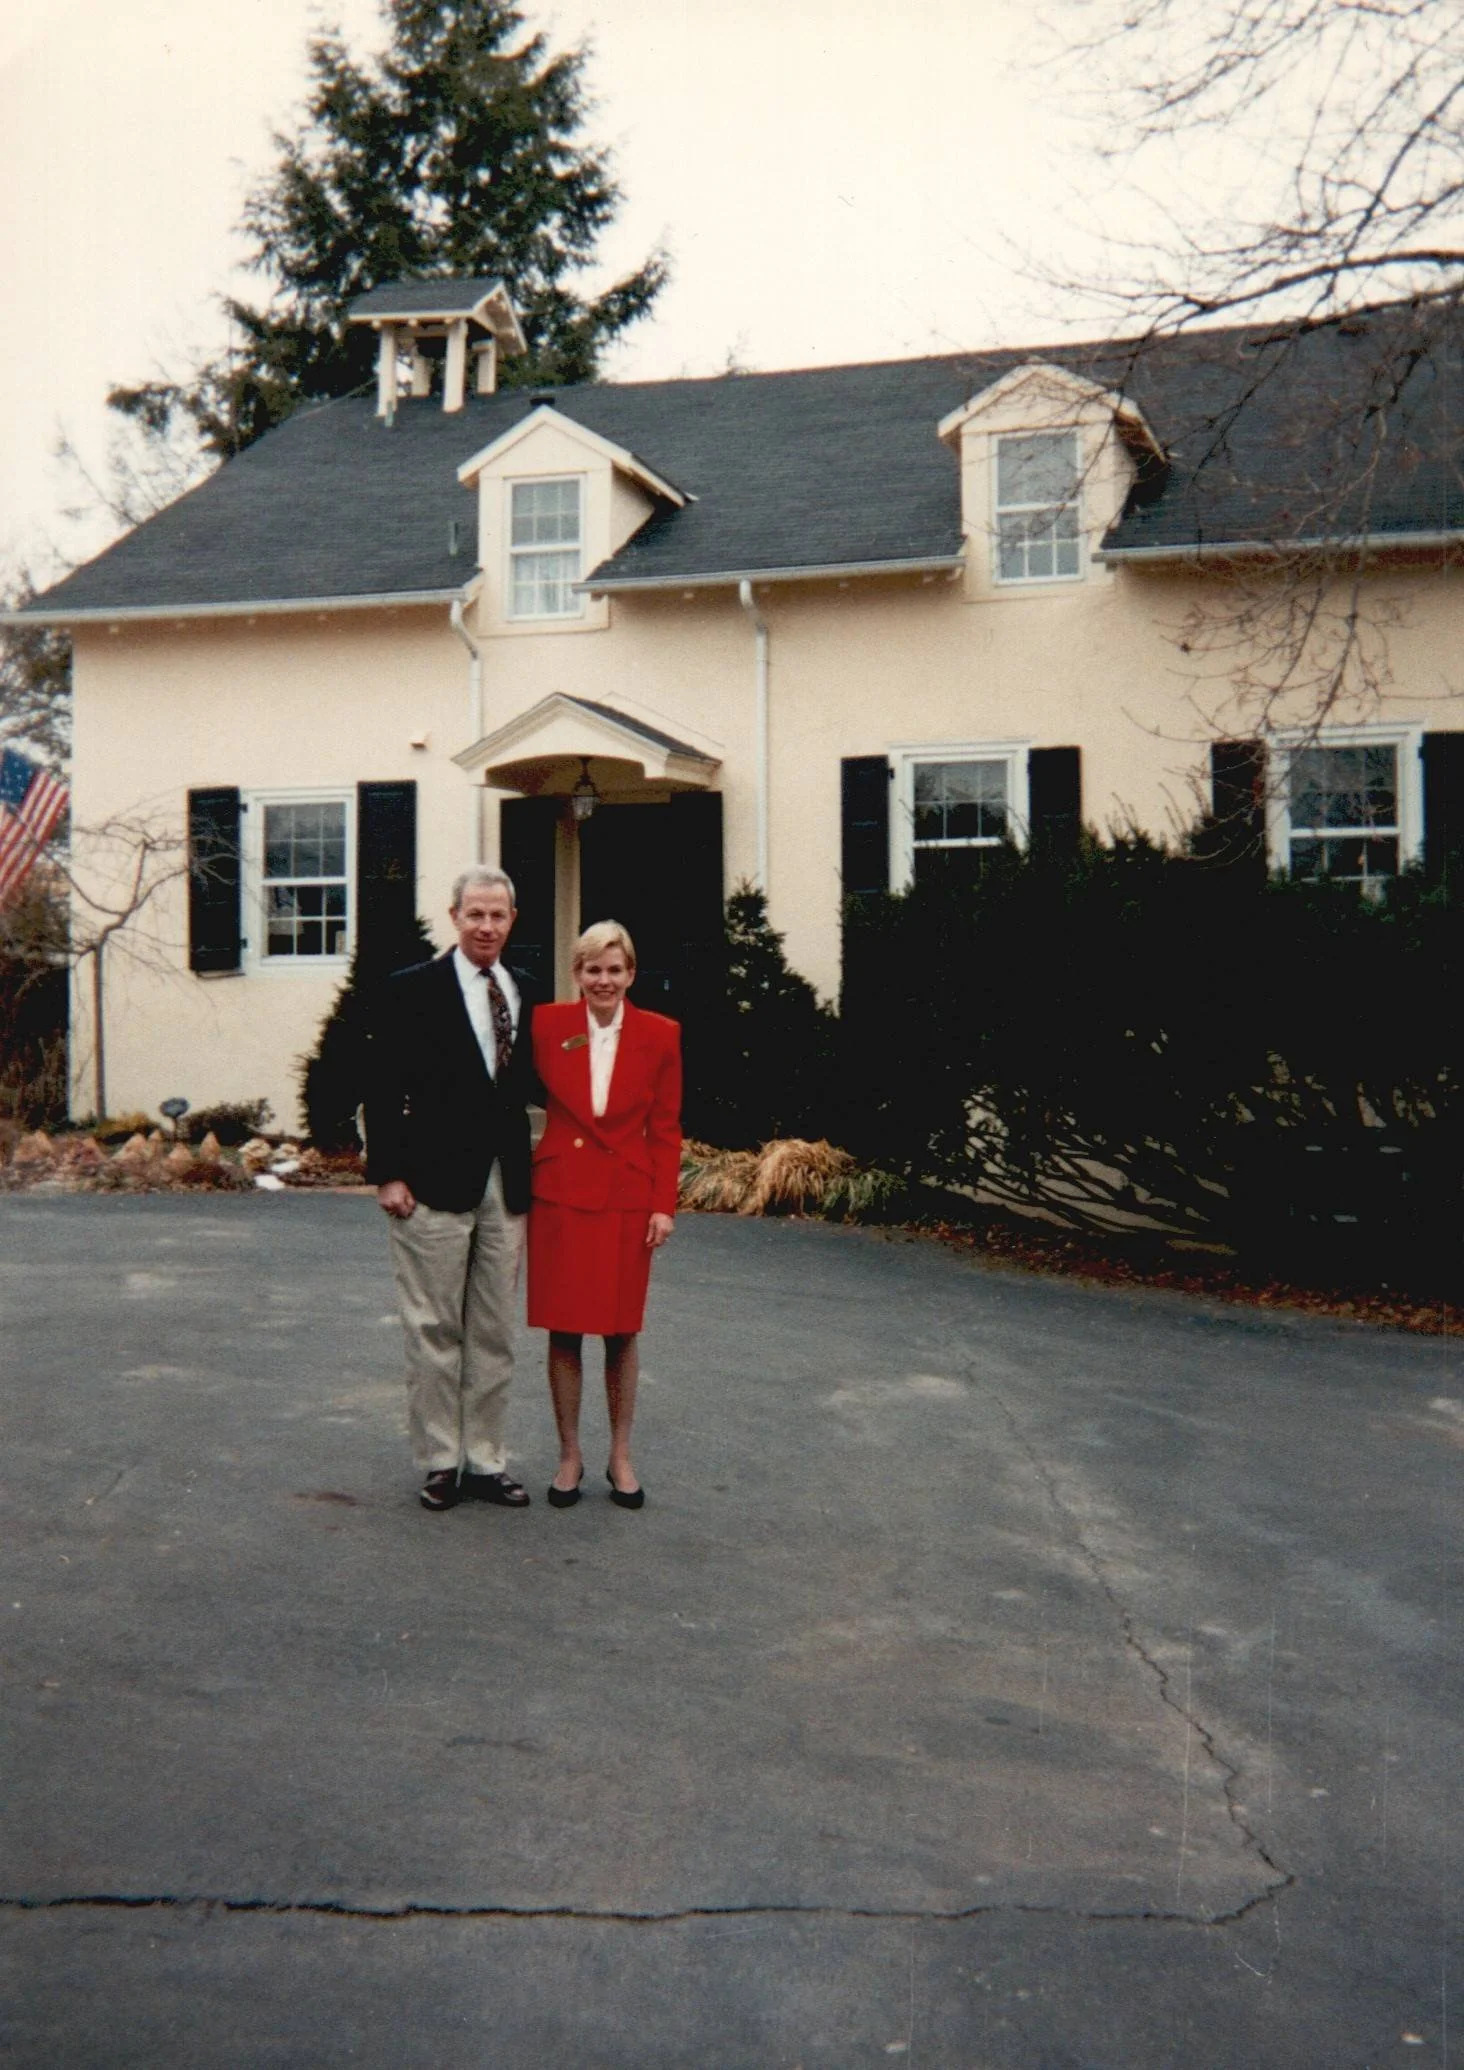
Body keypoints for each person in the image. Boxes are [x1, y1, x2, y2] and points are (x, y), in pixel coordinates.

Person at [364, 867, 543, 1513]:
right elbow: (382, 1087)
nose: (487, 926)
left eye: (498, 915)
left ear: (512, 920)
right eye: (475, 915)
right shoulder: (411, 990)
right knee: (434, 1328)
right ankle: (441, 1460)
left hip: (505, 1186)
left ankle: (486, 1461)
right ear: (454, 916)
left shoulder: (526, 988)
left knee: (494, 1333)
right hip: (430, 1184)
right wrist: (387, 1172)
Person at [528, 921, 681, 1510]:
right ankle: (570, 1456)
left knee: (621, 1329)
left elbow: (665, 1129)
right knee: (564, 1327)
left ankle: (621, 1455)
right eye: (593, 969)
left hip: (626, 1194)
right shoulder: (547, 1025)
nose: (604, 980)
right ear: (578, 974)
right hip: (561, 1192)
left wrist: (663, 1204)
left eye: (615, 970)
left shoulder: (661, 1035)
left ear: (631, 974)